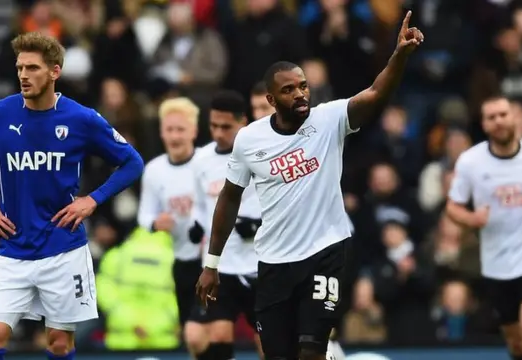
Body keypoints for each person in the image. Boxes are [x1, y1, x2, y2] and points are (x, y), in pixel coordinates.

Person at [196, 11, 424, 360]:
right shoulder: (249, 140)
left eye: (303, 86)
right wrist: (211, 263)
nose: (300, 94)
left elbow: (377, 94)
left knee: (311, 352)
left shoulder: (329, 119)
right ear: (270, 100)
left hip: (325, 252)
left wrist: (399, 56)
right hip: (273, 261)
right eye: (288, 90)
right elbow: (229, 198)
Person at [0, 32, 144, 360]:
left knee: (60, 343)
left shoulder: (81, 118)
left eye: (33, 68)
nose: (23, 75)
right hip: (13, 249)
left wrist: (92, 199)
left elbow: (132, 162)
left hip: (63, 248)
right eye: (20, 67)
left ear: (54, 72)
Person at [446, 95, 522, 360]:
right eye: (491, 117)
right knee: (517, 344)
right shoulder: (471, 162)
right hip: (496, 262)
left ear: (515, 118)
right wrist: (472, 220)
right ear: (484, 125)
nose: (499, 122)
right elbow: (453, 206)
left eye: (503, 115)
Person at [184, 90, 263, 360]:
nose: (218, 132)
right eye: (213, 126)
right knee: (201, 336)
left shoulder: (261, 153)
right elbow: (200, 203)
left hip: (260, 266)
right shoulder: (201, 159)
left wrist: (259, 225)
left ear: (242, 122)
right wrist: (195, 223)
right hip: (222, 268)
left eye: (225, 127)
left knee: (271, 345)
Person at [137, 97, 201, 328]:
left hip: (213, 261)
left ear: (193, 131)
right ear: (162, 132)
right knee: (191, 332)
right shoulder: (154, 170)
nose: (175, 136)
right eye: (169, 129)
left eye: (180, 129)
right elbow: (144, 216)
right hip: (180, 260)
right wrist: (155, 223)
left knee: (217, 331)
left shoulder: (208, 163)